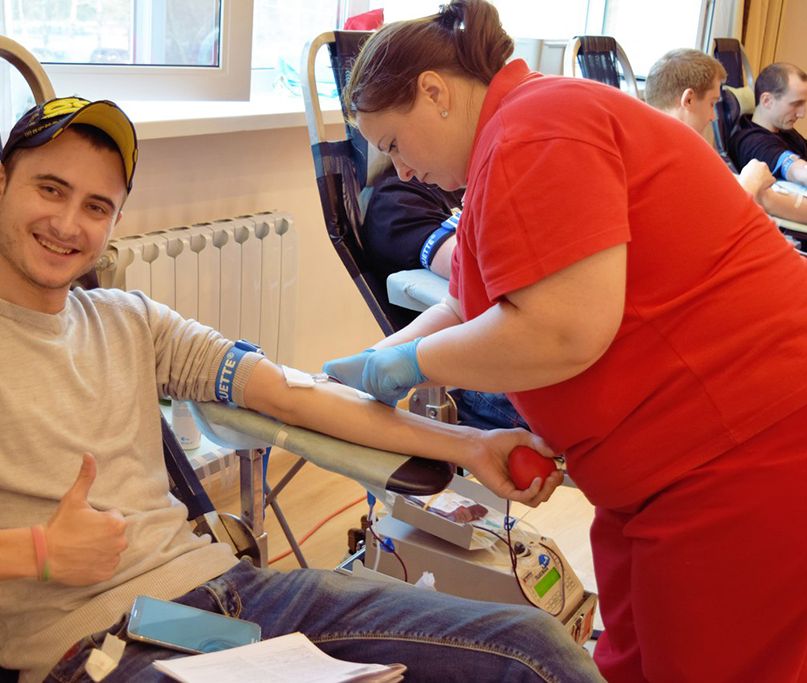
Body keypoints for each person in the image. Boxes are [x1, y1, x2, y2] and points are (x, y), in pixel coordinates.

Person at [0, 96, 603, 683]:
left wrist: (471, 443)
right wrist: (36, 551)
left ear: (115, 223)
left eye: (96, 206)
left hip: (233, 598)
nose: (69, 224)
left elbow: (291, 394)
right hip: (100, 646)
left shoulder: (130, 319)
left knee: (529, 647)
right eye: (49, 189)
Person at [322, 2, 807, 681]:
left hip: (738, 450)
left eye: (395, 144)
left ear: (434, 92)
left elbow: (564, 328)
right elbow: (466, 302)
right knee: (630, 661)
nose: (400, 171)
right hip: (659, 468)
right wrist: (380, 358)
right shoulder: (510, 141)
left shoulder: (537, 128)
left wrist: (408, 363)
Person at [362, 158, 527, 430]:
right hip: (508, 376)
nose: (404, 169)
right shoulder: (399, 200)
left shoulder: (484, 175)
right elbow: (477, 274)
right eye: (389, 147)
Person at [644, 48, 807, 223]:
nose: (713, 117)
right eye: (711, 103)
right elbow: (712, 225)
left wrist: (756, 189)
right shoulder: (659, 165)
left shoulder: (690, 153)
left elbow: (764, 199)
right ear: (688, 100)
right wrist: (751, 185)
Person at [730, 61, 807, 185]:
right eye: (795, 104)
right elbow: (794, 168)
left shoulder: (785, 130)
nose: (801, 114)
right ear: (767, 101)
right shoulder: (752, 142)